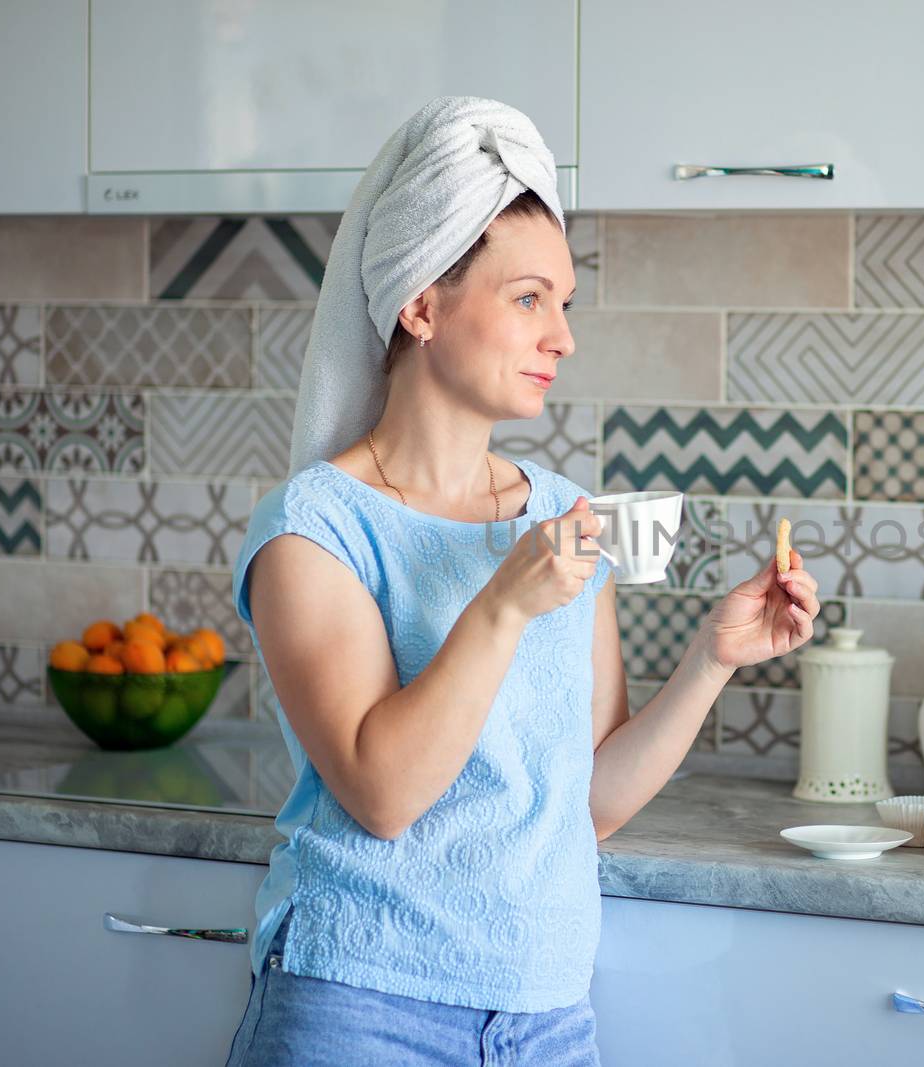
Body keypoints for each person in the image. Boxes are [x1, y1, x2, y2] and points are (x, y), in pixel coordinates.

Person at [223, 97, 821, 1066]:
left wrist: (712, 658)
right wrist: (501, 603)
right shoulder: (315, 527)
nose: (562, 337)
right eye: (529, 297)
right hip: (359, 1008)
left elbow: (589, 799)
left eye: (566, 303)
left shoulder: (559, 517)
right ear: (421, 304)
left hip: (546, 1017)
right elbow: (382, 793)